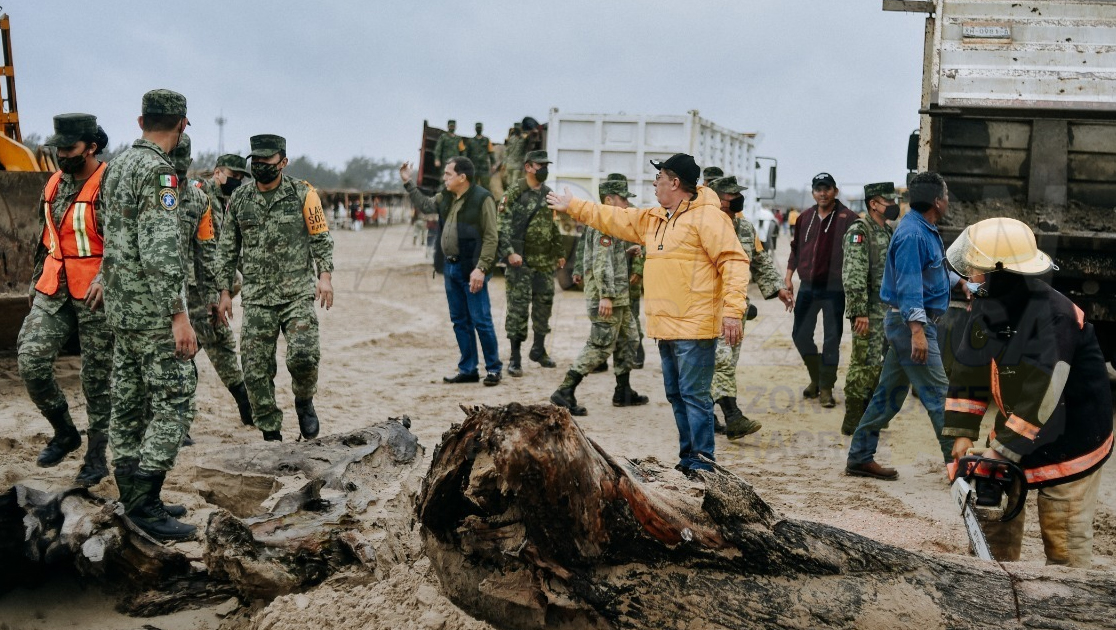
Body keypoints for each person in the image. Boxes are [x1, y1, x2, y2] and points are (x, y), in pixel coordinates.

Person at [547, 153, 749, 474]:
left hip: (695, 327)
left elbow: (734, 262)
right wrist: (574, 206)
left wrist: (732, 312)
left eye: (659, 179)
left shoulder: (709, 218)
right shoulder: (654, 218)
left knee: (695, 398)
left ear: (675, 182)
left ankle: (704, 464)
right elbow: (613, 218)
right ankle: (689, 459)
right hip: (664, 326)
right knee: (676, 395)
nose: (654, 184)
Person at [944, 217, 1112, 568]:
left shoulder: (1056, 316)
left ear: (999, 272)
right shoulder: (985, 309)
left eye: (975, 269)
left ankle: (1069, 602)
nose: (969, 277)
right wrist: (962, 435)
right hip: (1020, 424)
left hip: (1073, 434)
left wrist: (1001, 451)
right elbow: (968, 373)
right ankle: (996, 580)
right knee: (993, 514)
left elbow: (1043, 392)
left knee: (1062, 530)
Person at [99, 89, 197, 540]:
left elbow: (109, 233)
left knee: (127, 401)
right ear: (180, 125)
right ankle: (145, 502)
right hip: (154, 313)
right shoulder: (160, 174)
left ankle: (132, 496)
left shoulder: (117, 165)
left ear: (141, 121)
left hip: (122, 310)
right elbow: (160, 249)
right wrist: (178, 315)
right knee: (174, 401)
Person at [845, 171, 965, 479]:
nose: (949, 199)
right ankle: (958, 468)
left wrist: (964, 285)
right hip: (911, 325)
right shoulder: (913, 234)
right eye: (947, 194)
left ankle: (859, 456)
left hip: (908, 324)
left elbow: (934, 273)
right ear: (937, 201)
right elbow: (910, 285)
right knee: (939, 396)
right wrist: (917, 332)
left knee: (887, 396)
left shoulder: (925, 229)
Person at [216, 134, 335, 441]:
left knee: (304, 356)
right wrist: (225, 292)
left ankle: (304, 401)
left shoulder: (303, 194)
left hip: (296, 292)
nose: (259, 166)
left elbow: (320, 238)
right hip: (257, 297)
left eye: (266, 162)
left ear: (283, 162)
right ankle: (270, 430)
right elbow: (227, 249)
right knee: (255, 369)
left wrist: (324, 277)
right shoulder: (240, 200)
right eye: (254, 161)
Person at [17, 113, 113, 486]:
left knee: (97, 380)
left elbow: (123, 240)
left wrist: (107, 277)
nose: (61, 155)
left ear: (91, 146)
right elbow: (46, 239)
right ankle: (65, 431)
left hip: (96, 296)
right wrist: (34, 284)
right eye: (57, 148)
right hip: (54, 287)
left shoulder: (109, 184)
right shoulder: (54, 183)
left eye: (69, 149)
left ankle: (95, 456)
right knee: (30, 360)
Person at [170, 135, 253, 428]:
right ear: (217, 172)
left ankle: (245, 406)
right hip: (192, 285)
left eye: (241, 178)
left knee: (214, 341)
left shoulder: (226, 203)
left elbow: (227, 248)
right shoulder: (197, 194)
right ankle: (183, 416)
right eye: (232, 176)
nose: (236, 181)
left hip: (209, 285)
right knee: (207, 342)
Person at [400, 157, 502, 385]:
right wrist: (408, 183)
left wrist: (482, 268)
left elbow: (491, 236)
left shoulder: (482, 198)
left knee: (481, 320)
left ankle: (494, 369)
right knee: (459, 320)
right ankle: (468, 369)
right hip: (451, 267)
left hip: (473, 269)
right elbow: (425, 205)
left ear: (462, 177)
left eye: (448, 174)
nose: (444, 178)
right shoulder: (445, 196)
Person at [551, 177, 648, 415]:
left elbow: (609, 256)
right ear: (609, 199)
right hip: (608, 297)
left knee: (630, 339)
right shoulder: (603, 224)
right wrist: (606, 296)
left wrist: (629, 251)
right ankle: (564, 391)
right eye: (623, 199)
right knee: (600, 345)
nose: (627, 203)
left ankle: (623, 391)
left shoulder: (613, 222)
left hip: (620, 296)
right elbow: (602, 263)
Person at [707, 176, 793, 439]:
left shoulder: (744, 228)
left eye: (737, 195)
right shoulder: (703, 226)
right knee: (721, 363)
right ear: (716, 199)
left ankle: (703, 415)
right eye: (731, 195)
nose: (737, 200)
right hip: (710, 307)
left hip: (736, 307)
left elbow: (760, 260)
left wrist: (779, 288)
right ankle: (733, 417)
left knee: (726, 364)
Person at [785, 173, 858, 408]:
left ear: (835, 191)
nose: (823, 193)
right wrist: (788, 277)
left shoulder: (849, 218)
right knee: (800, 335)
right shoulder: (804, 217)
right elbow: (795, 249)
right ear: (813, 192)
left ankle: (826, 388)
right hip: (807, 287)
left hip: (835, 289)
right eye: (818, 189)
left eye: (827, 189)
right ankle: (816, 378)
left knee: (831, 340)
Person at [840, 182, 899, 436]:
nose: (893, 206)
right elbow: (853, 274)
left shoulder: (885, 231)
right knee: (863, 361)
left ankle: (870, 411)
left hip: (885, 308)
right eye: (888, 202)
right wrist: (858, 311)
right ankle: (852, 417)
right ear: (873, 204)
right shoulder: (860, 231)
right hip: (868, 308)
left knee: (879, 363)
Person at [499, 150, 565, 376]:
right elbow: (502, 224)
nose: (544, 169)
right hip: (521, 262)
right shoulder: (515, 192)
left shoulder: (548, 194)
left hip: (544, 262)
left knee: (543, 306)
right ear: (528, 167)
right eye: (540, 165)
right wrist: (509, 253)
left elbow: (552, 225)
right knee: (518, 309)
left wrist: (559, 250)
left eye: (546, 165)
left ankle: (538, 349)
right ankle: (515, 357)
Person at [502, 117, 537, 188]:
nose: (517, 130)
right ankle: (510, 195)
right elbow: (507, 151)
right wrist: (504, 163)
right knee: (509, 182)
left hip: (518, 164)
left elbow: (529, 140)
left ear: (521, 129)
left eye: (518, 129)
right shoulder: (511, 139)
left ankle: (512, 197)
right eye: (516, 129)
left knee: (514, 182)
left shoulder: (524, 139)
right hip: (510, 164)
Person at [466, 122, 495, 190]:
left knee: (486, 186)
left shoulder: (486, 140)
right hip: (473, 167)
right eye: (477, 128)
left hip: (484, 168)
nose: (478, 129)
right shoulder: (470, 141)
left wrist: (493, 164)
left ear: (482, 129)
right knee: (472, 186)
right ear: (475, 129)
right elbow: (467, 154)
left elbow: (491, 152)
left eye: (480, 128)